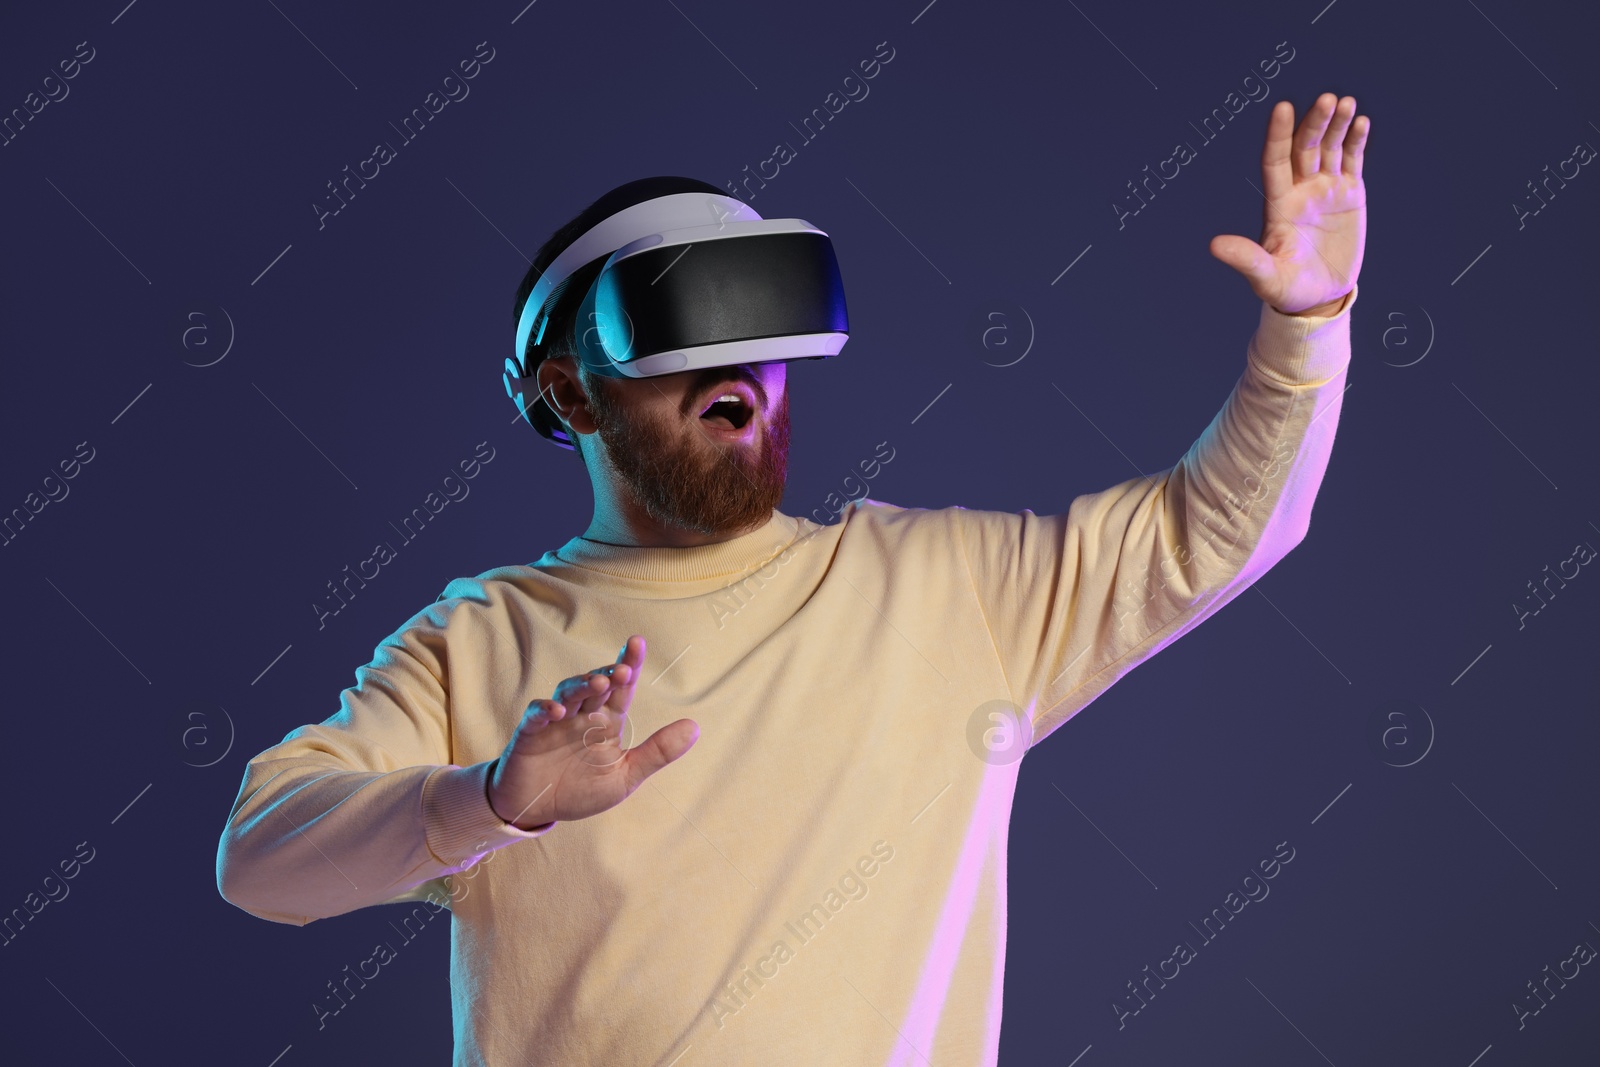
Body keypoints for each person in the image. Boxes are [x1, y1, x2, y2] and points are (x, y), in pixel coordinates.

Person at [217, 92, 1368, 1065]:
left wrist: (1307, 326)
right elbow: (262, 860)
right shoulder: (479, 638)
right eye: (686, 331)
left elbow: (1210, 533)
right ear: (571, 395)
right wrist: (493, 801)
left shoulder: (944, 584)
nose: (740, 374)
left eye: (758, 332)